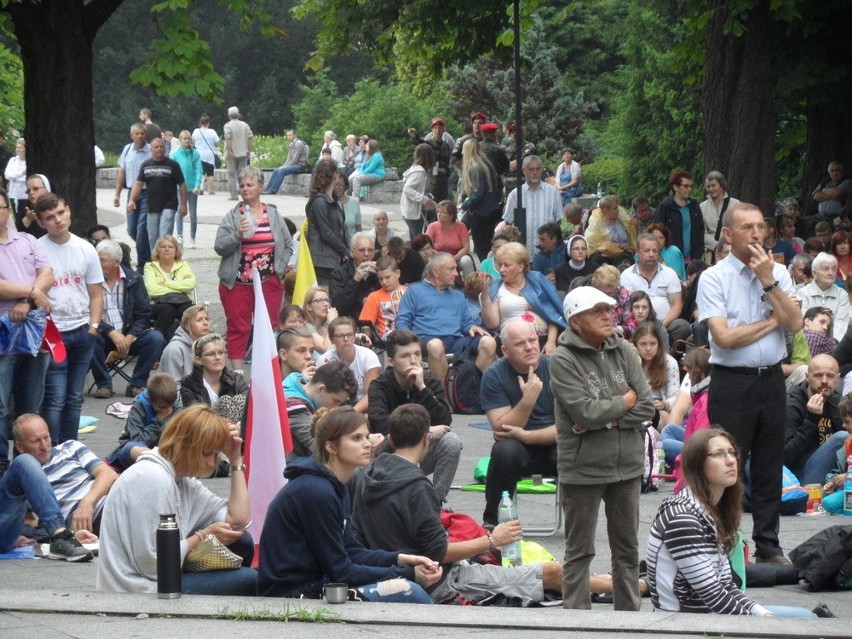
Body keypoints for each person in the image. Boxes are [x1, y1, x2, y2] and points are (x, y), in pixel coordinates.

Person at [353, 403, 573, 605]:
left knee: (536, 570)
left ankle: (600, 581)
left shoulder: (365, 475)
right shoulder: (417, 487)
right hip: (439, 581)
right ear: (426, 440)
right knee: (550, 572)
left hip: (393, 570)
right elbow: (439, 552)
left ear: (391, 440)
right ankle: (604, 584)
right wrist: (493, 539)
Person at [697, 203, 803, 565]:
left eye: (761, 227)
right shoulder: (713, 278)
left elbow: (796, 323)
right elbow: (724, 338)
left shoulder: (779, 274)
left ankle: (768, 544)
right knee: (723, 464)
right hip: (732, 381)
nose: (758, 234)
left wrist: (768, 281)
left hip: (771, 379)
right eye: (748, 228)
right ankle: (719, 541)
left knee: (769, 464)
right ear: (728, 234)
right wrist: (773, 320)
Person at [257, 406, 442, 601]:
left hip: (317, 583)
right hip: (290, 595)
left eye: (366, 436)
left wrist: (401, 559)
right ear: (331, 447)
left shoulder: (335, 486)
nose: (367, 444)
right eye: (356, 438)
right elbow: (342, 572)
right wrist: (410, 575)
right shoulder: (316, 491)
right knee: (408, 591)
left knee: (406, 587)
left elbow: (352, 550)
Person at [550, 286, 655, 610]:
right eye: (597, 311)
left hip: (627, 464)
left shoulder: (623, 348)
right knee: (579, 551)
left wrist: (608, 419)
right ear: (575, 320)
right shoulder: (563, 359)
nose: (608, 315)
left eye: (608, 309)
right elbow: (583, 412)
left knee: (627, 549)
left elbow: (647, 406)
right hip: (583, 468)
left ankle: (628, 621)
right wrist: (623, 402)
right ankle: (577, 623)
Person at [647, 428, 817, 618]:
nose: (730, 460)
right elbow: (713, 595)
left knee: (806, 617)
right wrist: (759, 621)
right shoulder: (683, 518)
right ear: (697, 465)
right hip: (686, 623)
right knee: (806, 620)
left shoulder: (710, 509)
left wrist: (760, 612)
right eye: (718, 454)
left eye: (732, 452)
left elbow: (726, 584)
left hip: (709, 617)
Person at [97, 404, 257, 595]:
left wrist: (235, 461)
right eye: (206, 453)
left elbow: (237, 521)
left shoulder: (183, 480)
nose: (211, 463)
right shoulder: (152, 478)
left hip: (159, 574)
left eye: (215, 454)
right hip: (137, 587)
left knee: (243, 543)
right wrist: (202, 537)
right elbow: (151, 562)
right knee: (251, 580)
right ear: (184, 445)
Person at [35, 194, 104, 445]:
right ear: (42, 223)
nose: (58, 220)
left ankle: (70, 448)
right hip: (52, 334)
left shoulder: (86, 248)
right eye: (50, 218)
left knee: (75, 397)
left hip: (82, 331)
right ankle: (51, 450)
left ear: (69, 211)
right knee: (55, 398)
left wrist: (94, 327)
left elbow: (95, 293)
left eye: (61, 213)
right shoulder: (37, 249)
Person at [0, 414, 116, 559]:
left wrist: (87, 502)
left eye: (46, 437)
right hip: (92, 522)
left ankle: (62, 536)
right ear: (20, 447)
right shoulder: (22, 476)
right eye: (36, 441)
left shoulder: (71, 447)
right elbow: (28, 523)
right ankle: (61, 536)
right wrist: (71, 533)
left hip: (108, 503)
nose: (44, 446)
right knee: (24, 462)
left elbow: (108, 474)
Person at [366, 329, 462, 502]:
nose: (413, 360)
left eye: (417, 354)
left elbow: (445, 421)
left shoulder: (430, 382)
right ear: (391, 361)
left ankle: (434, 502)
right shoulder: (379, 386)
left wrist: (422, 388)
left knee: (452, 441)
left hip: (421, 451)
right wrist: (429, 431)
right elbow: (381, 425)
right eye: (405, 356)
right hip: (388, 453)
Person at [478, 320, 558, 526]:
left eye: (533, 340)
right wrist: (528, 400)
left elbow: (569, 428)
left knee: (578, 445)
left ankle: (580, 523)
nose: (530, 347)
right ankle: (493, 522)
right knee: (505, 451)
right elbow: (501, 428)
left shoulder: (557, 369)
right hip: (518, 449)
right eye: (520, 344)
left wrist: (526, 435)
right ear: (505, 350)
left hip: (555, 446)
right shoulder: (494, 375)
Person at [214, 165, 294, 371]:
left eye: (250, 185)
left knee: (268, 326)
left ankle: (266, 370)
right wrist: (237, 236)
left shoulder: (273, 214)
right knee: (238, 327)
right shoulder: (233, 216)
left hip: (268, 280)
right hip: (238, 282)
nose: (245, 189)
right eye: (242, 186)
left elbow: (287, 244)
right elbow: (219, 247)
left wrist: (280, 269)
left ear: (260, 187)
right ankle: (238, 373)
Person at [0, 187, 53, 475]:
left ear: (8, 209)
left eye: (0, 207)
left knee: (31, 404)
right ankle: (0, 463)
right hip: (3, 334)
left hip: (33, 329)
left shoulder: (27, 239)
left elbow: (47, 273)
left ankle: (31, 462)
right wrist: (33, 292)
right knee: (0, 405)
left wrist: (24, 299)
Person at [396, 252, 497, 384]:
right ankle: (444, 397)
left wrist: (471, 326)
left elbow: (466, 322)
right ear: (436, 272)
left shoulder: (458, 295)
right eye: (451, 269)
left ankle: (468, 387)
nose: (456, 273)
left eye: (456, 268)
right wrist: (408, 342)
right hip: (426, 340)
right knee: (436, 345)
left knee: (489, 343)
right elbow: (402, 321)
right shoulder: (414, 291)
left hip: (455, 340)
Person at [90, 239, 165, 399]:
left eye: (101, 260)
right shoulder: (90, 280)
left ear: (116, 262)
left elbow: (144, 314)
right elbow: (87, 313)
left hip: (129, 335)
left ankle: (137, 383)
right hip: (103, 336)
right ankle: (103, 385)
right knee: (88, 337)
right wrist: (111, 332)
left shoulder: (134, 279)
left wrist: (129, 338)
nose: (97, 264)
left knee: (155, 337)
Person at [479, 242, 566, 356]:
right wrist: (485, 294)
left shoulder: (537, 281)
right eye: (500, 265)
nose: (501, 270)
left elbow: (553, 316)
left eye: (507, 265)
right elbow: (492, 324)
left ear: (521, 266)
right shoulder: (496, 287)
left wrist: (551, 342)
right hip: (514, 343)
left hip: (544, 338)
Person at [784, 354, 848, 485]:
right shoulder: (791, 404)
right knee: (842, 436)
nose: (824, 381)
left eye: (830, 376)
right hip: (799, 475)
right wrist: (812, 418)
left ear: (838, 378)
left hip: (834, 472)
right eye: (818, 375)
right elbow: (785, 457)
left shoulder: (837, 401)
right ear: (807, 377)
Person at [620, 233, 691, 346]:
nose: (651, 254)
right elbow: (627, 308)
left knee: (683, 326)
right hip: (636, 325)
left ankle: (668, 356)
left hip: (666, 324)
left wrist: (662, 325)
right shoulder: (627, 275)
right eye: (646, 250)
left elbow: (677, 304)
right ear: (637, 252)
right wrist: (641, 327)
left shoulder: (670, 274)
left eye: (655, 251)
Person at [283, 360, 358, 459]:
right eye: (336, 401)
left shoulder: (302, 381)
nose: (336, 408)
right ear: (321, 388)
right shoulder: (293, 406)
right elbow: (318, 446)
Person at [106, 373, 177, 471]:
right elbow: (137, 441)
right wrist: (158, 420)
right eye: (162, 407)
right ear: (150, 399)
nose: (167, 410)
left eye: (170, 406)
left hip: (164, 450)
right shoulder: (139, 407)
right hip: (138, 452)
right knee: (133, 447)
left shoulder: (176, 405)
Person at [127, 137, 187, 252]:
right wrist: (132, 200)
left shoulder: (173, 165)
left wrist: (183, 205)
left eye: (162, 147)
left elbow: (182, 185)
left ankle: (165, 262)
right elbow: (138, 183)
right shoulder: (146, 165)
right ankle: (155, 264)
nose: (159, 149)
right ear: (151, 149)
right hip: (152, 207)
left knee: (164, 236)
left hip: (169, 205)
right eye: (156, 147)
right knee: (152, 238)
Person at [659, 347, 712, 466]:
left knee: (663, 446)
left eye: (689, 373)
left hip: (701, 449)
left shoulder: (706, 399)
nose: (688, 377)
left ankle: (680, 466)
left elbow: (700, 439)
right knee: (670, 429)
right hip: (692, 437)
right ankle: (674, 464)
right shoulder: (700, 392)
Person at [317, 316, 381, 414]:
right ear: (331, 339)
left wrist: (352, 414)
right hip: (335, 409)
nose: (346, 339)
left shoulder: (368, 356)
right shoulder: (324, 360)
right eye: (340, 336)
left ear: (355, 335)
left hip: (363, 408)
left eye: (349, 334)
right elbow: (322, 396)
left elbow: (371, 394)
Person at [502, 155, 562, 256]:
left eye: (538, 169)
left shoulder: (553, 193)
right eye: (531, 169)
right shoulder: (515, 194)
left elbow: (558, 221)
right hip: (522, 252)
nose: (535, 173)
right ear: (523, 171)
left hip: (547, 252)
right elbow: (508, 223)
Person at [143, 234, 196, 340]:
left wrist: (166, 283)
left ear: (176, 251)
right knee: (168, 310)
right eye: (163, 246)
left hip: (183, 302)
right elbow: (152, 290)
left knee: (189, 312)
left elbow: (190, 284)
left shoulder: (183, 265)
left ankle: (195, 344)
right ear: (157, 250)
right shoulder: (150, 267)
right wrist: (180, 286)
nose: (167, 249)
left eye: (171, 247)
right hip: (159, 304)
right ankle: (159, 342)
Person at [113, 123, 152, 266]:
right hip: (131, 194)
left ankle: (142, 265)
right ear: (131, 135)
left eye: (142, 133)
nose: (140, 136)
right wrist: (117, 194)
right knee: (131, 229)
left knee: (142, 230)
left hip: (148, 193)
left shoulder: (151, 151)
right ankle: (149, 252)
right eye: (137, 133)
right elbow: (122, 172)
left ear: (145, 135)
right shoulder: (127, 149)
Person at [306, 159, 349, 286]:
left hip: (333, 259)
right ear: (335, 175)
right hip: (323, 261)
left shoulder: (333, 201)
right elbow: (326, 232)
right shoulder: (320, 202)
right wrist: (344, 250)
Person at [459, 139, 502, 261]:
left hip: (480, 212)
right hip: (492, 210)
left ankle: (486, 270)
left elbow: (478, 192)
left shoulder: (473, 167)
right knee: (489, 245)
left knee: (481, 247)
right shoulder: (486, 163)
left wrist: (465, 205)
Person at [180, 333, 248, 408]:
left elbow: (246, 409)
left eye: (221, 352)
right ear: (198, 360)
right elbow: (196, 416)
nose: (217, 357)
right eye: (211, 354)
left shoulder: (237, 380)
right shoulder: (189, 385)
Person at [631, 322, 679, 426]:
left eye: (653, 344)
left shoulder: (670, 363)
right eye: (643, 344)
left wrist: (664, 404)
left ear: (659, 344)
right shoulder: (629, 362)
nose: (648, 349)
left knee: (662, 418)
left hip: (659, 410)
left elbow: (675, 396)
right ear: (636, 344)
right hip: (635, 407)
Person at [797, 252, 849, 342]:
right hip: (808, 341)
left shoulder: (841, 294)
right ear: (814, 273)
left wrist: (834, 343)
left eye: (833, 269)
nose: (830, 273)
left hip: (834, 344)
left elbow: (841, 322)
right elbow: (804, 321)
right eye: (826, 269)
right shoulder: (803, 293)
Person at [653, 171, 704, 263]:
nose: (689, 189)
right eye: (685, 186)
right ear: (675, 187)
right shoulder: (665, 206)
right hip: (671, 257)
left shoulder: (694, 205)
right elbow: (657, 231)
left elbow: (700, 228)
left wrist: (699, 250)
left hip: (693, 257)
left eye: (691, 186)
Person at [329, 232, 380, 320]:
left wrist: (381, 276)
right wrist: (355, 280)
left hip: (378, 318)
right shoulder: (339, 273)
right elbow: (338, 307)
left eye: (370, 250)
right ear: (352, 253)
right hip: (351, 321)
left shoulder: (380, 270)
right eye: (362, 250)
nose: (367, 254)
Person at [159, 304, 210, 387]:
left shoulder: (208, 345)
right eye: (199, 320)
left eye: (207, 319)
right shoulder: (174, 349)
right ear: (187, 326)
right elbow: (173, 388)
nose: (205, 323)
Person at [359, 255, 407, 340]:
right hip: (388, 338)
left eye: (387, 277)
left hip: (411, 333)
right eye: (380, 279)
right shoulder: (374, 297)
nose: (384, 282)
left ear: (397, 273)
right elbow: (365, 326)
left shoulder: (410, 292)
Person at [407, 118, 453, 202]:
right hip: (432, 177)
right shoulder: (429, 143)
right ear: (432, 130)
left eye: (440, 128)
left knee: (444, 200)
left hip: (443, 179)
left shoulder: (446, 146)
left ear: (443, 130)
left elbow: (448, 161)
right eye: (435, 128)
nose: (438, 130)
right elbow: (419, 142)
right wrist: (414, 135)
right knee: (431, 200)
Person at [584, 195, 638, 267]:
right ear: (606, 210)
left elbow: (633, 236)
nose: (618, 210)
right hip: (606, 254)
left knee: (623, 257)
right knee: (597, 258)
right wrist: (611, 246)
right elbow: (593, 243)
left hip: (625, 252)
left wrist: (635, 226)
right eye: (615, 208)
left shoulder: (622, 220)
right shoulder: (596, 224)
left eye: (617, 207)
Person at [426, 200, 474, 278]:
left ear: (451, 216)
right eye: (438, 212)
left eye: (443, 213)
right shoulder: (432, 226)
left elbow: (466, 247)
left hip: (457, 256)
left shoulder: (461, 226)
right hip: (438, 256)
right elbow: (425, 244)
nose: (439, 215)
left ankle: (470, 286)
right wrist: (436, 254)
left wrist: (453, 258)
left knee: (467, 260)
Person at [170, 130, 202, 247]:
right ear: (180, 140)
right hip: (179, 187)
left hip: (192, 187)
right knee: (180, 210)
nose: (187, 141)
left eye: (188, 138)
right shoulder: (175, 154)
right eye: (184, 138)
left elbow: (199, 170)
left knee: (193, 213)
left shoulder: (195, 153)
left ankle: (192, 237)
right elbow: (171, 171)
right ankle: (180, 235)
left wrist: (197, 185)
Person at [400, 143, 437, 240]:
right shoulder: (419, 172)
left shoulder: (414, 169)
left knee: (414, 238)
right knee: (418, 239)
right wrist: (425, 200)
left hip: (409, 210)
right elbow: (407, 189)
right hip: (413, 211)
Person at [699, 170, 740, 257]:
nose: (710, 189)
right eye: (708, 186)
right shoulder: (702, 207)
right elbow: (701, 231)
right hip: (710, 255)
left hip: (733, 251)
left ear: (721, 185)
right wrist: (716, 245)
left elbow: (740, 227)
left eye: (713, 185)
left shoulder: (736, 204)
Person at [263, 130, 309, 195]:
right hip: (293, 164)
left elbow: (295, 159)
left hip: (300, 165)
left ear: (295, 135)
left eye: (290, 135)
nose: (288, 137)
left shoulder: (299, 144)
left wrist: (285, 167)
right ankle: (268, 188)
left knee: (282, 171)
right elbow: (289, 158)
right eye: (288, 135)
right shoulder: (291, 144)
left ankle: (273, 190)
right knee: (277, 170)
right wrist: (284, 165)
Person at [222, 105, 253, 200]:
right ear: (238, 114)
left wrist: (230, 151)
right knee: (242, 174)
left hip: (232, 154)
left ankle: (234, 195)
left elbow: (228, 139)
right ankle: (245, 193)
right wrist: (249, 150)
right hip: (243, 152)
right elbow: (250, 137)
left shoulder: (227, 125)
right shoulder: (245, 125)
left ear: (229, 115)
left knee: (231, 174)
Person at [302, 286, 336, 354]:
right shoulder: (306, 326)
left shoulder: (326, 322)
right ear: (309, 307)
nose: (326, 304)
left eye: (327, 300)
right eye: (319, 300)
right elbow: (327, 349)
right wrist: (332, 322)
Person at [191, 113, 219, 195]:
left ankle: (200, 188)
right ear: (208, 123)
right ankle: (210, 190)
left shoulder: (196, 131)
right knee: (210, 172)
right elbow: (217, 142)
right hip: (209, 154)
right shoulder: (212, 132)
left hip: (199, 153)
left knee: (200, 172)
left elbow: (192, 141)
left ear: (200, 122)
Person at [17, 173, 49, 239]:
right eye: (28, 191)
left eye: (35, 189)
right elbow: (16, 236)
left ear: (46, 189)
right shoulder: (25, 210)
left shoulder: (57, 207)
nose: (31, 193)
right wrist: (28, 219)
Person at [4, 138, 26, 226]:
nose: (18, 149)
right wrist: (21, 173)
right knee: (15, 219)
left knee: (24, 218)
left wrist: (14, 177)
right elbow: (7, 175)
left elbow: (26, 179)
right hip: (13, 194)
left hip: (24, 196)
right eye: (17, 147)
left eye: (20, 147)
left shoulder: (29, 162)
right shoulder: (12, 160)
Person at [334, 171, 362, 238]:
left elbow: (358, 228)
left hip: (351, 243)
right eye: (335, 184)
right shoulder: (327, 202)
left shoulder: (354, 202)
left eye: (340, 185)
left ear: (345, 186)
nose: (337, 187)